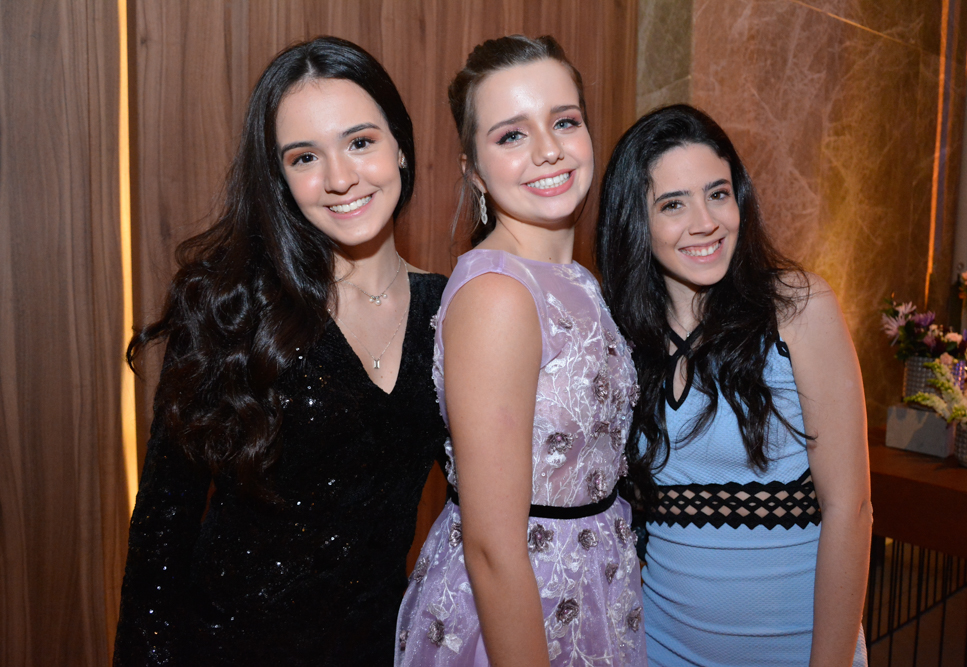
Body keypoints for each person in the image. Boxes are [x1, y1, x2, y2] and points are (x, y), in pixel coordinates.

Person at [113, 36, 447, 667]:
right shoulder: (229, 305)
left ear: (399, 145)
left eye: (360, 142)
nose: (340, 178)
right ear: (279, 177)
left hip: (379, 650)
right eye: (305, 157)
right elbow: (161, 531)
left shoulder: (452, 311)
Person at [395, 35, 647, 667]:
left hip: (593, 589)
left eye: (564, 121)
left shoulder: (578, 278)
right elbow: (491, 548)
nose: (548, 149)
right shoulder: (499, 294)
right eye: (511, 135)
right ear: (475, 171)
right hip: (519, 610)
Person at [596, 104, 871, 666]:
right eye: (673, 204)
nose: (706, 222)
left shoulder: (797, 308)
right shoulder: (620, 336)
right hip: (661, 652)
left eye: (718, 194)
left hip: (796, 652)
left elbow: (851, 509)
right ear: (634, 221)